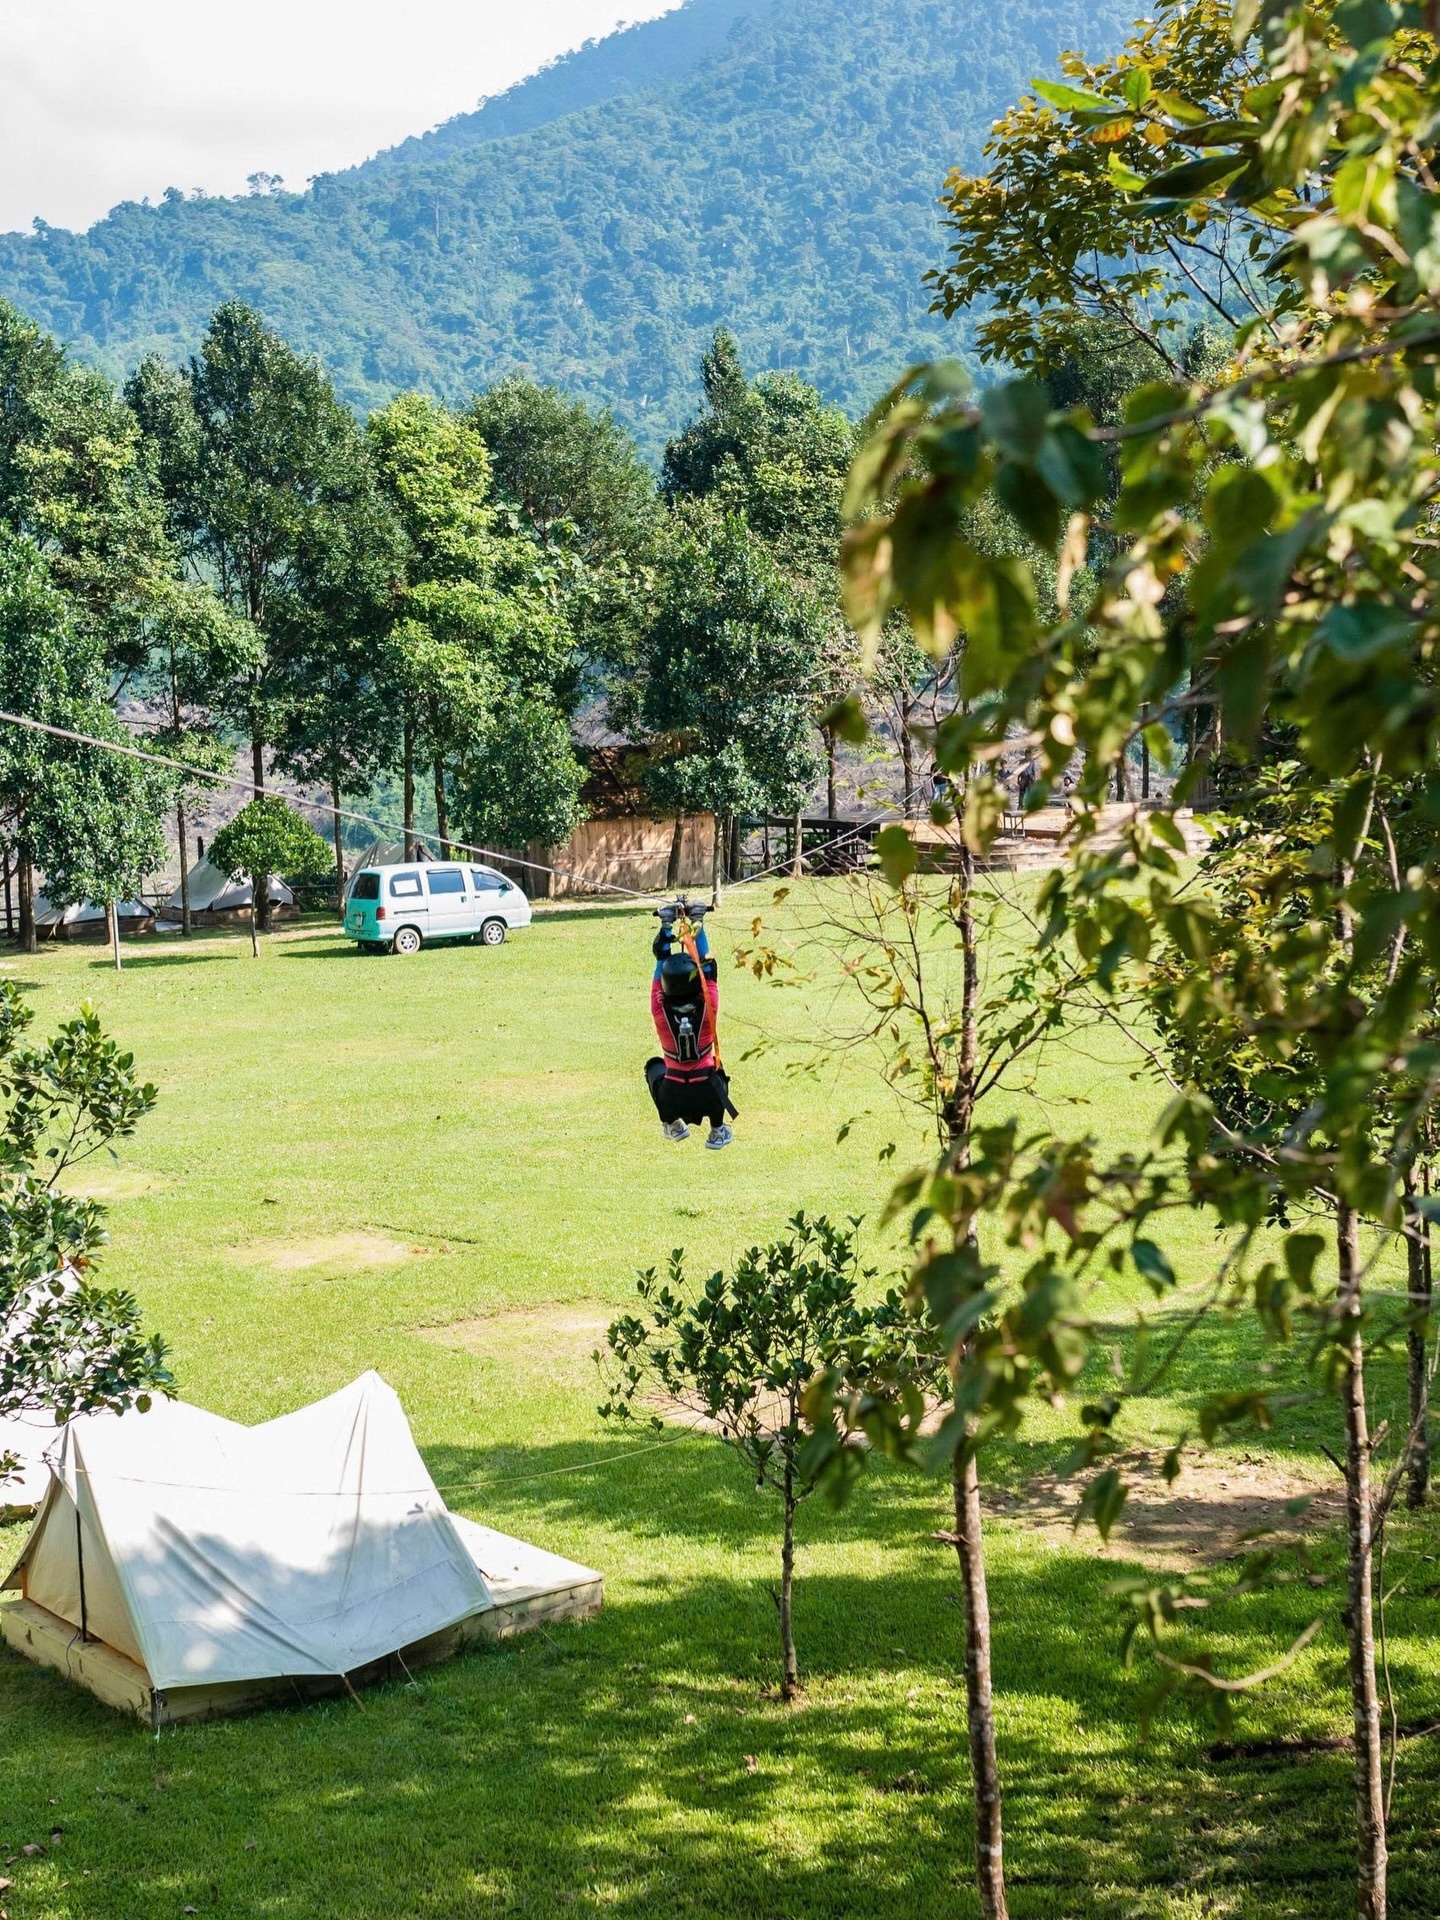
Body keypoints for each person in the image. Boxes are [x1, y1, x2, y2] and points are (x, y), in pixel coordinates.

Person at [646, 902, 736, 1149]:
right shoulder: (709, 1006)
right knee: (718, 1074)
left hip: (672, 1096)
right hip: (707, 1093)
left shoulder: (660, 1012)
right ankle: (717, 1129)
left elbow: (660, 965)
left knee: (654, 1067)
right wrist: (698, 922)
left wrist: (667, 926)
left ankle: (672, 1124)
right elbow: (706, 967)